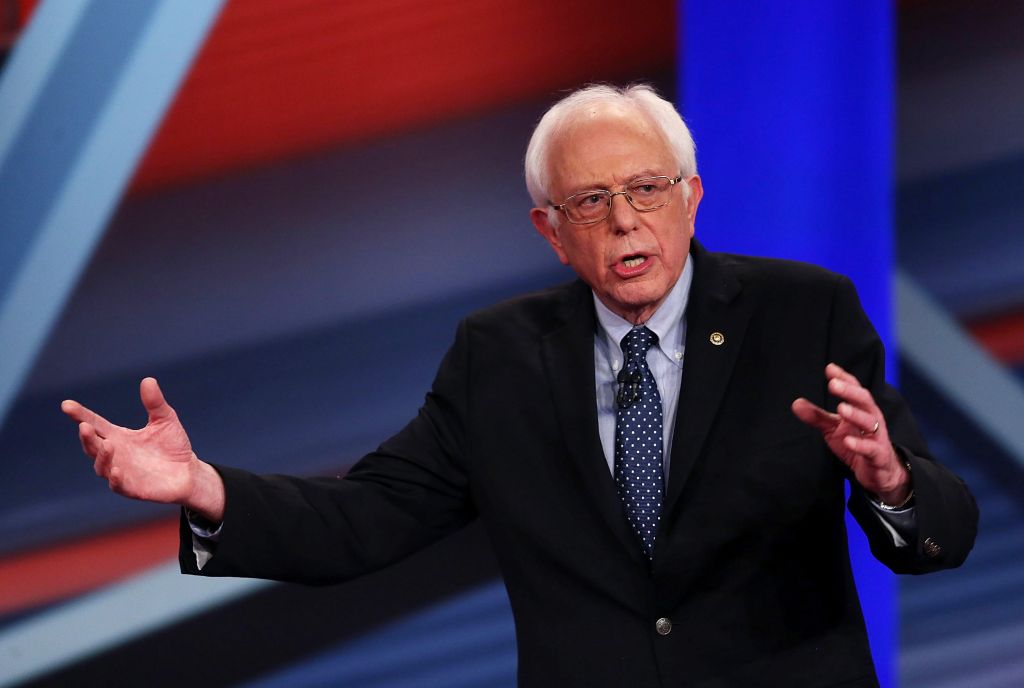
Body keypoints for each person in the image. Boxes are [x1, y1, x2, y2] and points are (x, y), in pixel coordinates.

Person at [62, 84, 977, 687]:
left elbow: (940, 534)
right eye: (590, 203)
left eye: (647, 189)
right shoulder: (498, 355)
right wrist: (201, 487)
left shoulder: (802, 313)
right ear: (549, 230)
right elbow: (369, 518)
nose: (625, 220)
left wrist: (891, 484)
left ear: (692, 196)